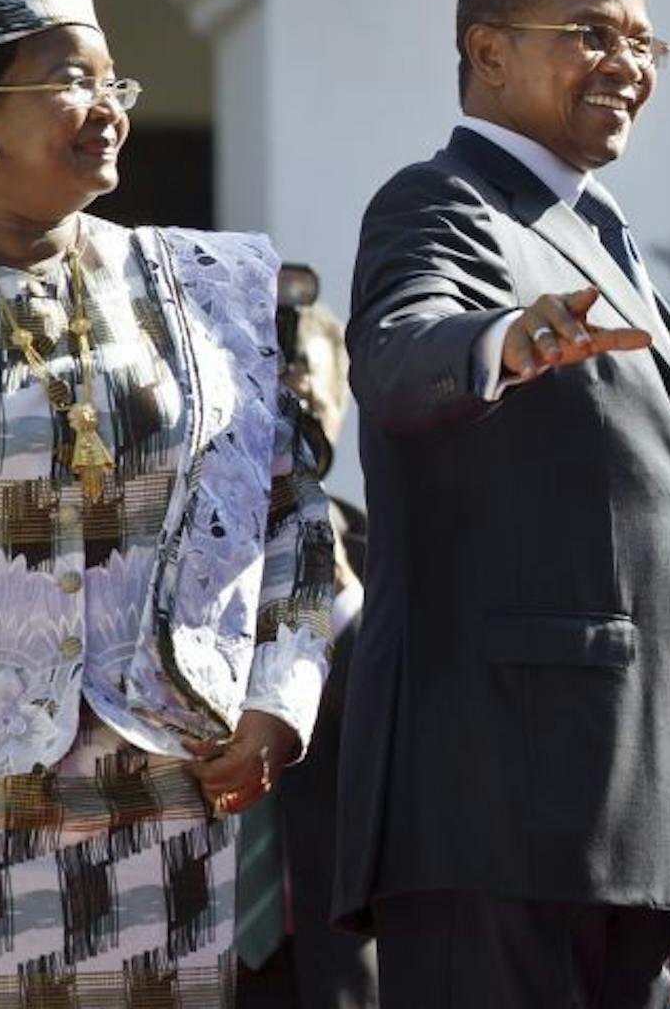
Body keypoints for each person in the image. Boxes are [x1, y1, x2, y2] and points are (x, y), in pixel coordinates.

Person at [0, 0, 335, 1004]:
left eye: (115, 82)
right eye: (71, 81)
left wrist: (281, 699)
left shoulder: (205, 286)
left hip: (162, 807)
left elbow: (296, 515)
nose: (107, 107)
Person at [334, 0, 670, 1008]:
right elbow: (399, 349)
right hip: (497, 808)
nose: (628, 63)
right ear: (488, 49)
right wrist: (506, 337)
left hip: (631, 820)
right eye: (591, 34)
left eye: (642, 41)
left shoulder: (597, 233)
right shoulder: (441, 203)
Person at [238, 277, 379, 1007]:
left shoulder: (394, 567)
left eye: (306, 391)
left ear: (342, 400)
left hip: (346, 959)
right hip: (203, 949)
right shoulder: (178, 557)